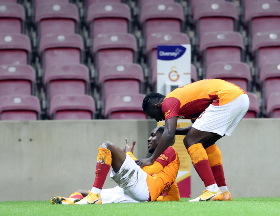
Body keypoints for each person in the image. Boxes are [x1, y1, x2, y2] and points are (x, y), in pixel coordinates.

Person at [137, 79, 249, 202]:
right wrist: (174, 131)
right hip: (240, 98)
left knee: (191, 141)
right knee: (206, 143)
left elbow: (168, 134)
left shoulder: (168, 102)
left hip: (228, 97)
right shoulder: (187, 105)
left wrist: (151, 159)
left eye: (154, 116)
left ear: (157, 106)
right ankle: (223, 192)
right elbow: (195, 129)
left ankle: (211, 190)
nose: (157, 120)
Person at [51, 126, 180, 205]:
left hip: (144, 188)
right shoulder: (168, 171)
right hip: (137, 194)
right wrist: (155, 199)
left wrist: (129, 155)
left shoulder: (169, 150)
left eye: (153, 135)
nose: (148, 139)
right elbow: (174, 197)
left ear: (164, 138)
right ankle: (71, 201)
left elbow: (150, 169)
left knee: (107, 146)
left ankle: (95, 194)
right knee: (80, 192)